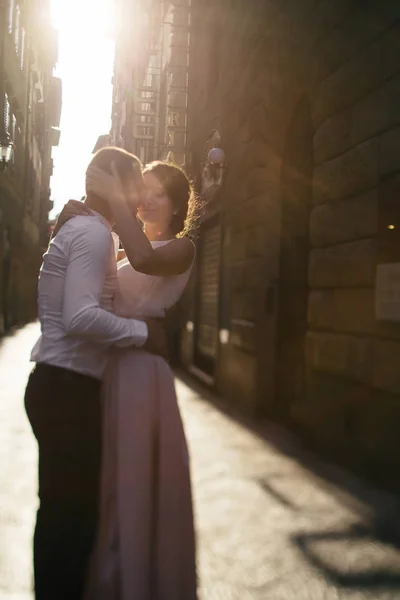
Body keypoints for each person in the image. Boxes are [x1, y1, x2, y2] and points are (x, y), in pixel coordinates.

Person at [24, 147, 168, 600]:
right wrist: (143, 332)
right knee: (71, 520)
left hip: (60, 383)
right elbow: (80, 318)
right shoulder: (93, 233)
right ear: (117, 187)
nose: (140, 199)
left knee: (62, 515)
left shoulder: (86, 228)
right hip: (68, 388)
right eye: (135, 188)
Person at [55, 157, 198, 599]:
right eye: (145, 190)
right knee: (107, 481)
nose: (148, 199)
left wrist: (115, 201)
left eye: (159, 193)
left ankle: (137, 583)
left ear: (176, 206)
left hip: (142, 379)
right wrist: (79, 220)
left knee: (135, 480)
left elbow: (142, 257)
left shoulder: (182, 248)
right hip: (107, 370)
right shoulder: (118, 246)